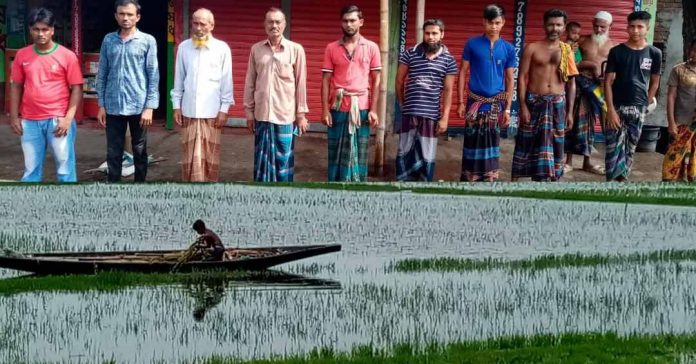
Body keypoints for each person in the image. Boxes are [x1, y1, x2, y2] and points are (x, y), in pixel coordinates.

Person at [9, 8, 83, 183]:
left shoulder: (67, 56)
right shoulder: (22, 55)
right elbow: (16, 87)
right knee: (30, 168)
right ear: (30, 30)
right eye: (36, 29)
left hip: (58, 120)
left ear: (52, 30)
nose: (40, 34)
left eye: (45, 29)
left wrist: (67, 119)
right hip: (30, 120)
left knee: (65, 167)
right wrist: (14, 117)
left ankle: (70, 204)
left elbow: (77, 89)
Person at [97, 0, 159, 183]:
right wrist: (101, 104)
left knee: (140, 150)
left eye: (130, 14)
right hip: (113, 105)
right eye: (122, 14)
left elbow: (153, 75)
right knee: (113, 151)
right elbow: (102, 74)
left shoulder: (147, 41)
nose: (126, 18)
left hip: (138, 105)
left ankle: (139, 187)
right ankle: (114, 188)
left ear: (137, 17)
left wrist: (150, 107)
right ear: (116, 16)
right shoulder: (109, 40)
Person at [511, 9, 577, 182]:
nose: (554, 28)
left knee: (555, 143)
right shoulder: (532, 48)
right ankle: (515, 181)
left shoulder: (567, 50)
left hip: (557, 104)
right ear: (544, 25)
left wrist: (570, 112)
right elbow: (523, 78)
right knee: (526, 142)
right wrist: (522, 106)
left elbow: (571, 82)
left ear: (563, 27)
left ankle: (549, 180)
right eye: (551, 24)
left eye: (558, 25)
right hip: (534, 102)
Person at [244, 7, 308, 182]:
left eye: (278, 22)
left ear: (284, 24)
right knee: (261, 161)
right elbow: (250, 82)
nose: (274, 25)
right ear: (265, 25)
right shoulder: (256, 49)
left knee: (284, 161)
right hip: (262, 115)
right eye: (270, 22)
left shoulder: (296, 50)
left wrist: (301, 115)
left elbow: (301, 83)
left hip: (285, 115)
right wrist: (249, 113)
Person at [171, 8, 233, 182]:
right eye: (195, 23)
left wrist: (224, 110)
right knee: (189, 157)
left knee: (210, 158)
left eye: (202, 24)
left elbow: (226, 82)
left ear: (211, 25)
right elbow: (179, 79)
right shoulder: (184, 47)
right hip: (189, 112)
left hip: (212, 113)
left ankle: (208, 193)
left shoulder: (222, 49)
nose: (198, 28)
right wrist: (176, 106)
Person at [321, 4, 381, 182]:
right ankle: (335, 188)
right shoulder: (331, 48)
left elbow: (376, 80)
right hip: (338, 106)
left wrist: (374, 109)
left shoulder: (371, 47)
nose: (349, 24)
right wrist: (325, 110)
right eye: (345, 21)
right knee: (336, 154)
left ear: (361, 22)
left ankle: (357, 188)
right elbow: (325, 80)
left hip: (361, 107)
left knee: (360, 152)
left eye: (353, 20)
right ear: (341, 23)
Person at [457, 4, 516, 182]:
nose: (494, 27)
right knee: (472, 140)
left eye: (497, 22)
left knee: (492, 141)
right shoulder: (472, 44)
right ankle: (470, 177)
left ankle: (489, 178)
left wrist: (507, 109)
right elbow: (462, 72)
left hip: (495, 106)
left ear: (503, 23)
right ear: (484, 22)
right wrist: (460, 102)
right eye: (490, 22)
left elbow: (510, 79)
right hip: (474, 103)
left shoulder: (508, 48)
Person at [395, 19, 456, 181]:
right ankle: (402, 185)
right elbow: (399, 81)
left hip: (431, 116)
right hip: (410, 114)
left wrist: (445, 117)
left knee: (427, 154)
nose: (430, 37)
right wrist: (403, 105)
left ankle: (424, 186)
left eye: (435, 33)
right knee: (405, 150)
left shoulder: (449, 60)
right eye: (427, 33)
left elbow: (449, 90)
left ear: (442, 34)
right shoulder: (410, 53)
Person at [604, 11, 662, 182]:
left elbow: (655, 82)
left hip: (638, 108)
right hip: (617, 106)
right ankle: (610, 182)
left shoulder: (654, 53)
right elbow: (607, 82)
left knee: (630, 147)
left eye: (640, 27)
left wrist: (645, 104)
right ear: (627, 28)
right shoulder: (616, 51)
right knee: (613, 146)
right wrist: (610, 110)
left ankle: (622, 181)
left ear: (647, 29)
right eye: (632, 26)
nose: (635, 30)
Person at [565, 11, 615, 175]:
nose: (599, 29)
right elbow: (570, 63)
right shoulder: (581, 40)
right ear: (592, 23)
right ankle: (568, 161)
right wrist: (590, 66)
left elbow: (614, 71)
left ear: (610, 27)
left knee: (593, 125)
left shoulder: (613, 47)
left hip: (599, 88)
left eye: (603, 26)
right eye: (596, 25)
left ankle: (588, 162)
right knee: (574, 122)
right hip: (579, 85)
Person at [661, 39, 696, 182]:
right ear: (690, 50)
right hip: (682, 121)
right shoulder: (679, 70)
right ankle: (668, 183)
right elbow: (671, 96)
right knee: (674, 154)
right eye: (695, 50)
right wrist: (671, 122)